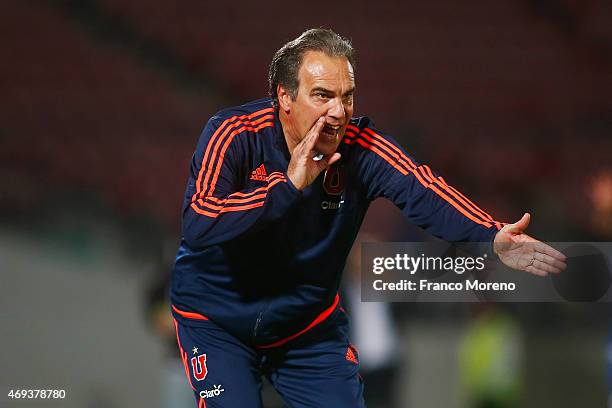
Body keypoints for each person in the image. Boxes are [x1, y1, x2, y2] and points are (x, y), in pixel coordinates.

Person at [170, 28, 567, 408]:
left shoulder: (365, 149)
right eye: (322, 95)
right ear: (284, 97)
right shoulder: (233, 133)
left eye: (347, 97)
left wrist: (491, 235)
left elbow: (422, 189)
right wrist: (286, 187)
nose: (338, 112)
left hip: (306, 328)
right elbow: (200, 220)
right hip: (215, 321)